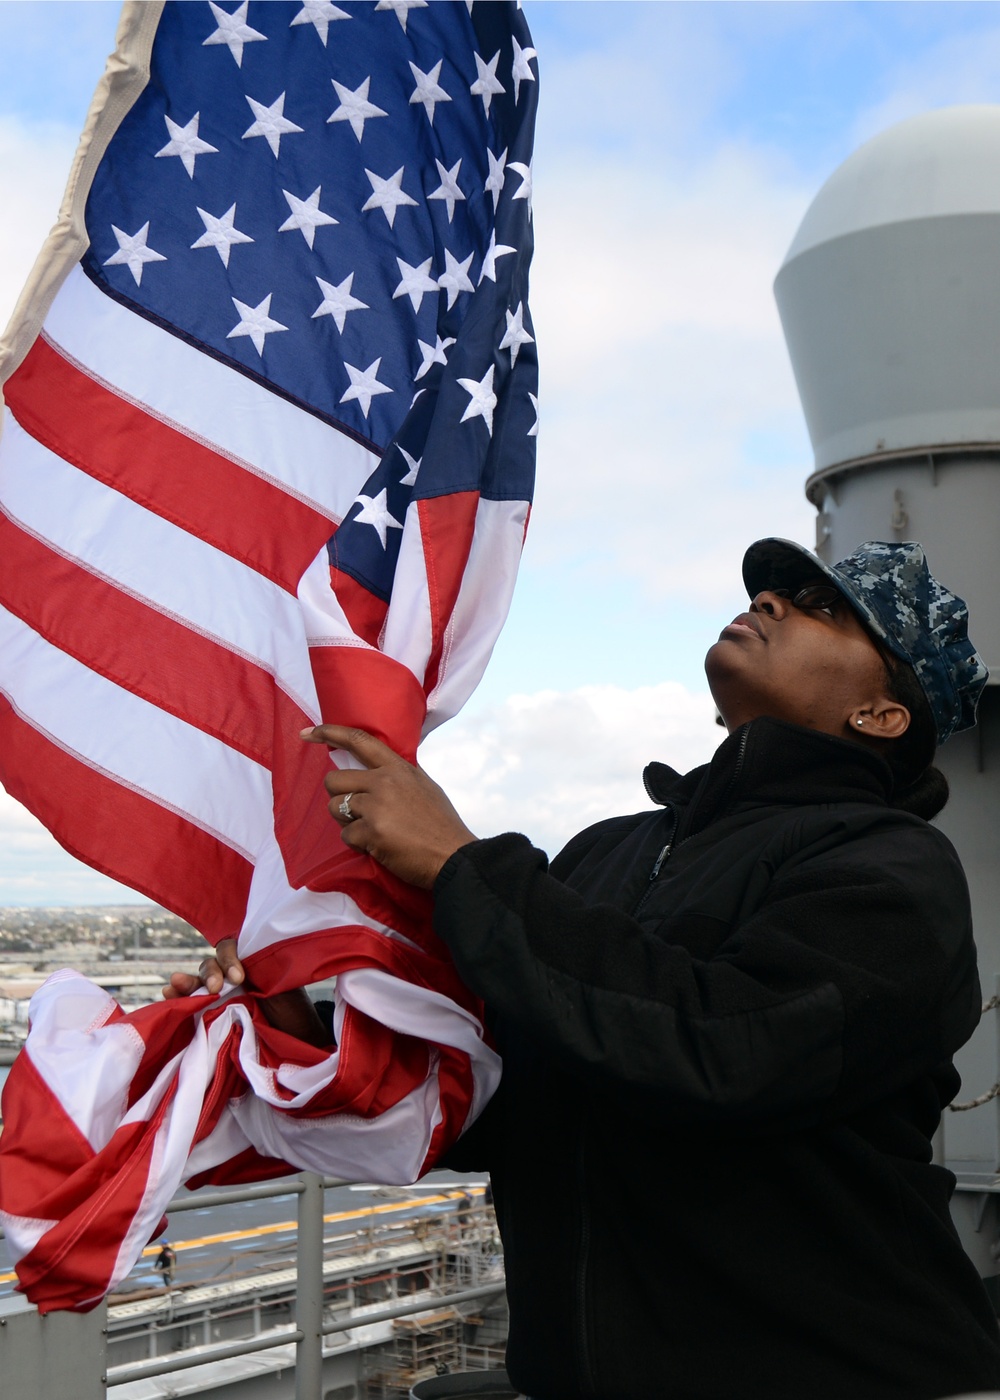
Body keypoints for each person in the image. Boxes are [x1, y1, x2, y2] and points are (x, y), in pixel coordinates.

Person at [171, 538, 1000, 1400]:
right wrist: (303, 1029)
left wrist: (462, 865)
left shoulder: (896, 869)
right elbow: (505, 1088)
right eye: (775, 590)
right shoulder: (611, 851)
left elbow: (724, 1048)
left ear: (880, 715)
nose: (773, 602)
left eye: (824, 608)